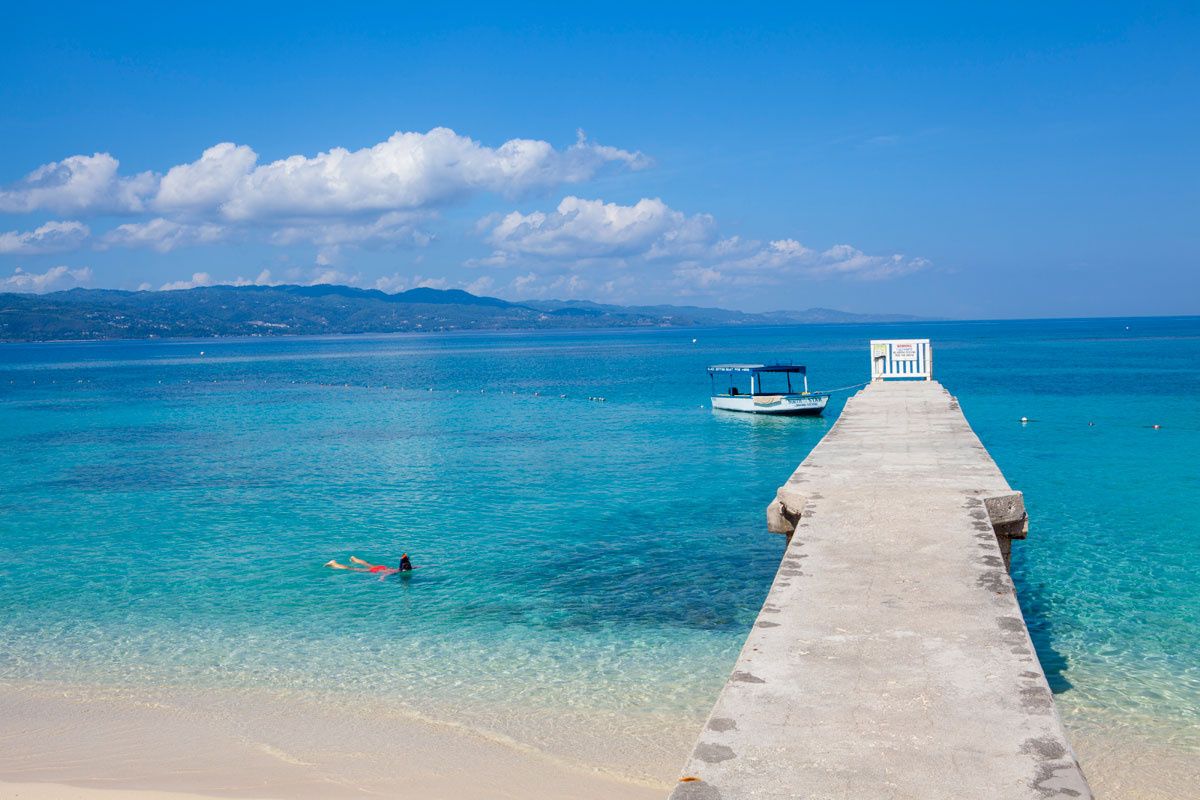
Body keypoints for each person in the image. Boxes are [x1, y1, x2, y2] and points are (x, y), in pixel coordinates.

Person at [324, 555, 399, 575]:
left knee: (366, 563)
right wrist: (381, 579)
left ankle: (354, 559)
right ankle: (334, 563)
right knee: (352, 569)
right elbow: (385, 574)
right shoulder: (395, 572)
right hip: (376, 570)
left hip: (381, 567)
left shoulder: (398, 569)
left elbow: (390, 570)